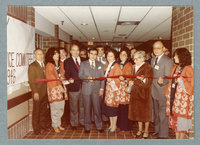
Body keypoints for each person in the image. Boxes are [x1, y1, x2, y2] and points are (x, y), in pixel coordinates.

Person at [163, 48, 193, 139]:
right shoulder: (174, 68)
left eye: (176, 55)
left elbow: (192, 85)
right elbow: (170, 82)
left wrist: (181, 82)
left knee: (181, 124)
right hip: (173, 99)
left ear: (182, 56)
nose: (174, 57)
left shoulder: (188, 68)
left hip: (182, 101)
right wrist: (166, 92)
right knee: (176, 125)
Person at [151, 41, 174, 139]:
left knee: (163, 113)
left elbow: (169, 77)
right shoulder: (153, 60)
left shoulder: (168, 60)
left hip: (162, 91)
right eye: (154, 48)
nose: (156, 50)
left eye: (158, 48)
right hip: (154, 91)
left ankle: (163, 135)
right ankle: (157, 130)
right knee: (156, 113)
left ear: (163, 49)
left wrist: (163, 81)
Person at [79, 48, 105, 133]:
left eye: (95, 54)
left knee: (97, 109)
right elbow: (80, 75)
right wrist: (87, 78)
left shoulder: (100, 64)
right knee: (87, 109)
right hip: (86, 89)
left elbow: (102, 78)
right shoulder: (83, 64)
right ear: (88, 54)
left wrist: (102, 88)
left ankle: (99, 126)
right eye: (92, 54)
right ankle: (87, 127)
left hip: (97, 90)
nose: (93, 56)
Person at [128, 51, 153, 139]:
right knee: (138, 113)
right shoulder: (134, 67)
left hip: (144, 93)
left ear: (143, 58)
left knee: (145, 114)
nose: (135, 61)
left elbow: (148, 83)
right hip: (135, 93)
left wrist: (140, 81)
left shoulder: (148, 67)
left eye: (137, 58)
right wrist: (130, 82)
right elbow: (132, 78)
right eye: (134, 59)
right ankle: (139, 130)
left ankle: (146, 131)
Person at [28, 49, 50, 135]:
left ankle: (43, 125)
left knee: (43, 111)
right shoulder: (32, 66)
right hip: (37, 93)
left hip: (44, 92)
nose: (40, 56)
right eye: (38, 54)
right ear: (34, 55)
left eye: (42, 54)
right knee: (36, 111)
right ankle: (36, 129)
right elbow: (32, 81)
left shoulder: (43, 64)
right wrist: (35, 92)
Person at [45, 47, 67, 133]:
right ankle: (54, 125)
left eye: (57, 53)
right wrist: (60, 86)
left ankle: (58, 123)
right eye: (55, 53)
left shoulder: (61, 64)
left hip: (61, 87)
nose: (57, 55)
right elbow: (52, 78)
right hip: (53, 88)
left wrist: (64, 78)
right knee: (55, 107)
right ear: (51, 55)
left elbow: (63, 75)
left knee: (61, 106)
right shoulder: (49, 65)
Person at [64, 44, 86, 130]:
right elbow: (66, 74)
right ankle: (74, 123)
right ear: (70, 51)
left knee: (82, 106)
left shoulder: (84, 60)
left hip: (84, 86)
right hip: (73, 87)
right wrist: (69, 78)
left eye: (77, 50)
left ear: (79, 51)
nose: (76, 52)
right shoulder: (67, 61)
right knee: (73, 107)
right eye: (73, 50)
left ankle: (82, 121)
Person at [102, 49, 122, 134]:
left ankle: (114, 126)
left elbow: (119, 78)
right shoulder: (108, 65)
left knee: (113, 109)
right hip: (108, 90)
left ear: (114, 56)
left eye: (111, 56)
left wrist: (112, 80)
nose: (109, 58)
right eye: (108, 56)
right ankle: (111, 125)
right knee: (109, 109)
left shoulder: (116, 65)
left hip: (113, 90)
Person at [117, 48, 133, 133]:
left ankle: (125, 127)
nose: (122, 56)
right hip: (119, 89)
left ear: (127, 56)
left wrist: (124, 78)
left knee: (125, 108)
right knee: (120, 108)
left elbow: (130, 76)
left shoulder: (129, 64)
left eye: (124, 54)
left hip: (125, 90)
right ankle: (120, 125)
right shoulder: (118, 64)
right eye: (121, 54)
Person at [59, 48, 70, 126]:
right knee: (61, 103)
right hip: (60, 85)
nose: (61, 55)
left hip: (69, 85)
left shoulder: (69, 61)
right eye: (60, 53)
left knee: (69, 103)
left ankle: (68, 119)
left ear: (66, 53)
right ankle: (62, 119)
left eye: (63, 52)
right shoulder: (57, 63)